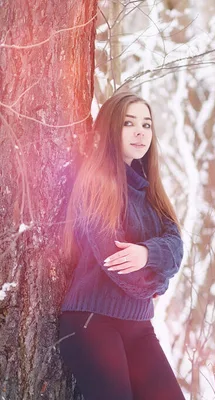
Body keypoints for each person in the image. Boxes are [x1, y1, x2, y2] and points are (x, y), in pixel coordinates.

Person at [58, 91, 186, 400]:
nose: (140, 132)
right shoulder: (96, 183)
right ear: (111, 129)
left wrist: (146, 254)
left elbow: (176, 246)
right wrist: (159, 278)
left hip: (138, 324)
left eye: (146, 124)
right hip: (92, 322)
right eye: (129, 123)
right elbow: (118, 265)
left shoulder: (149, 189)